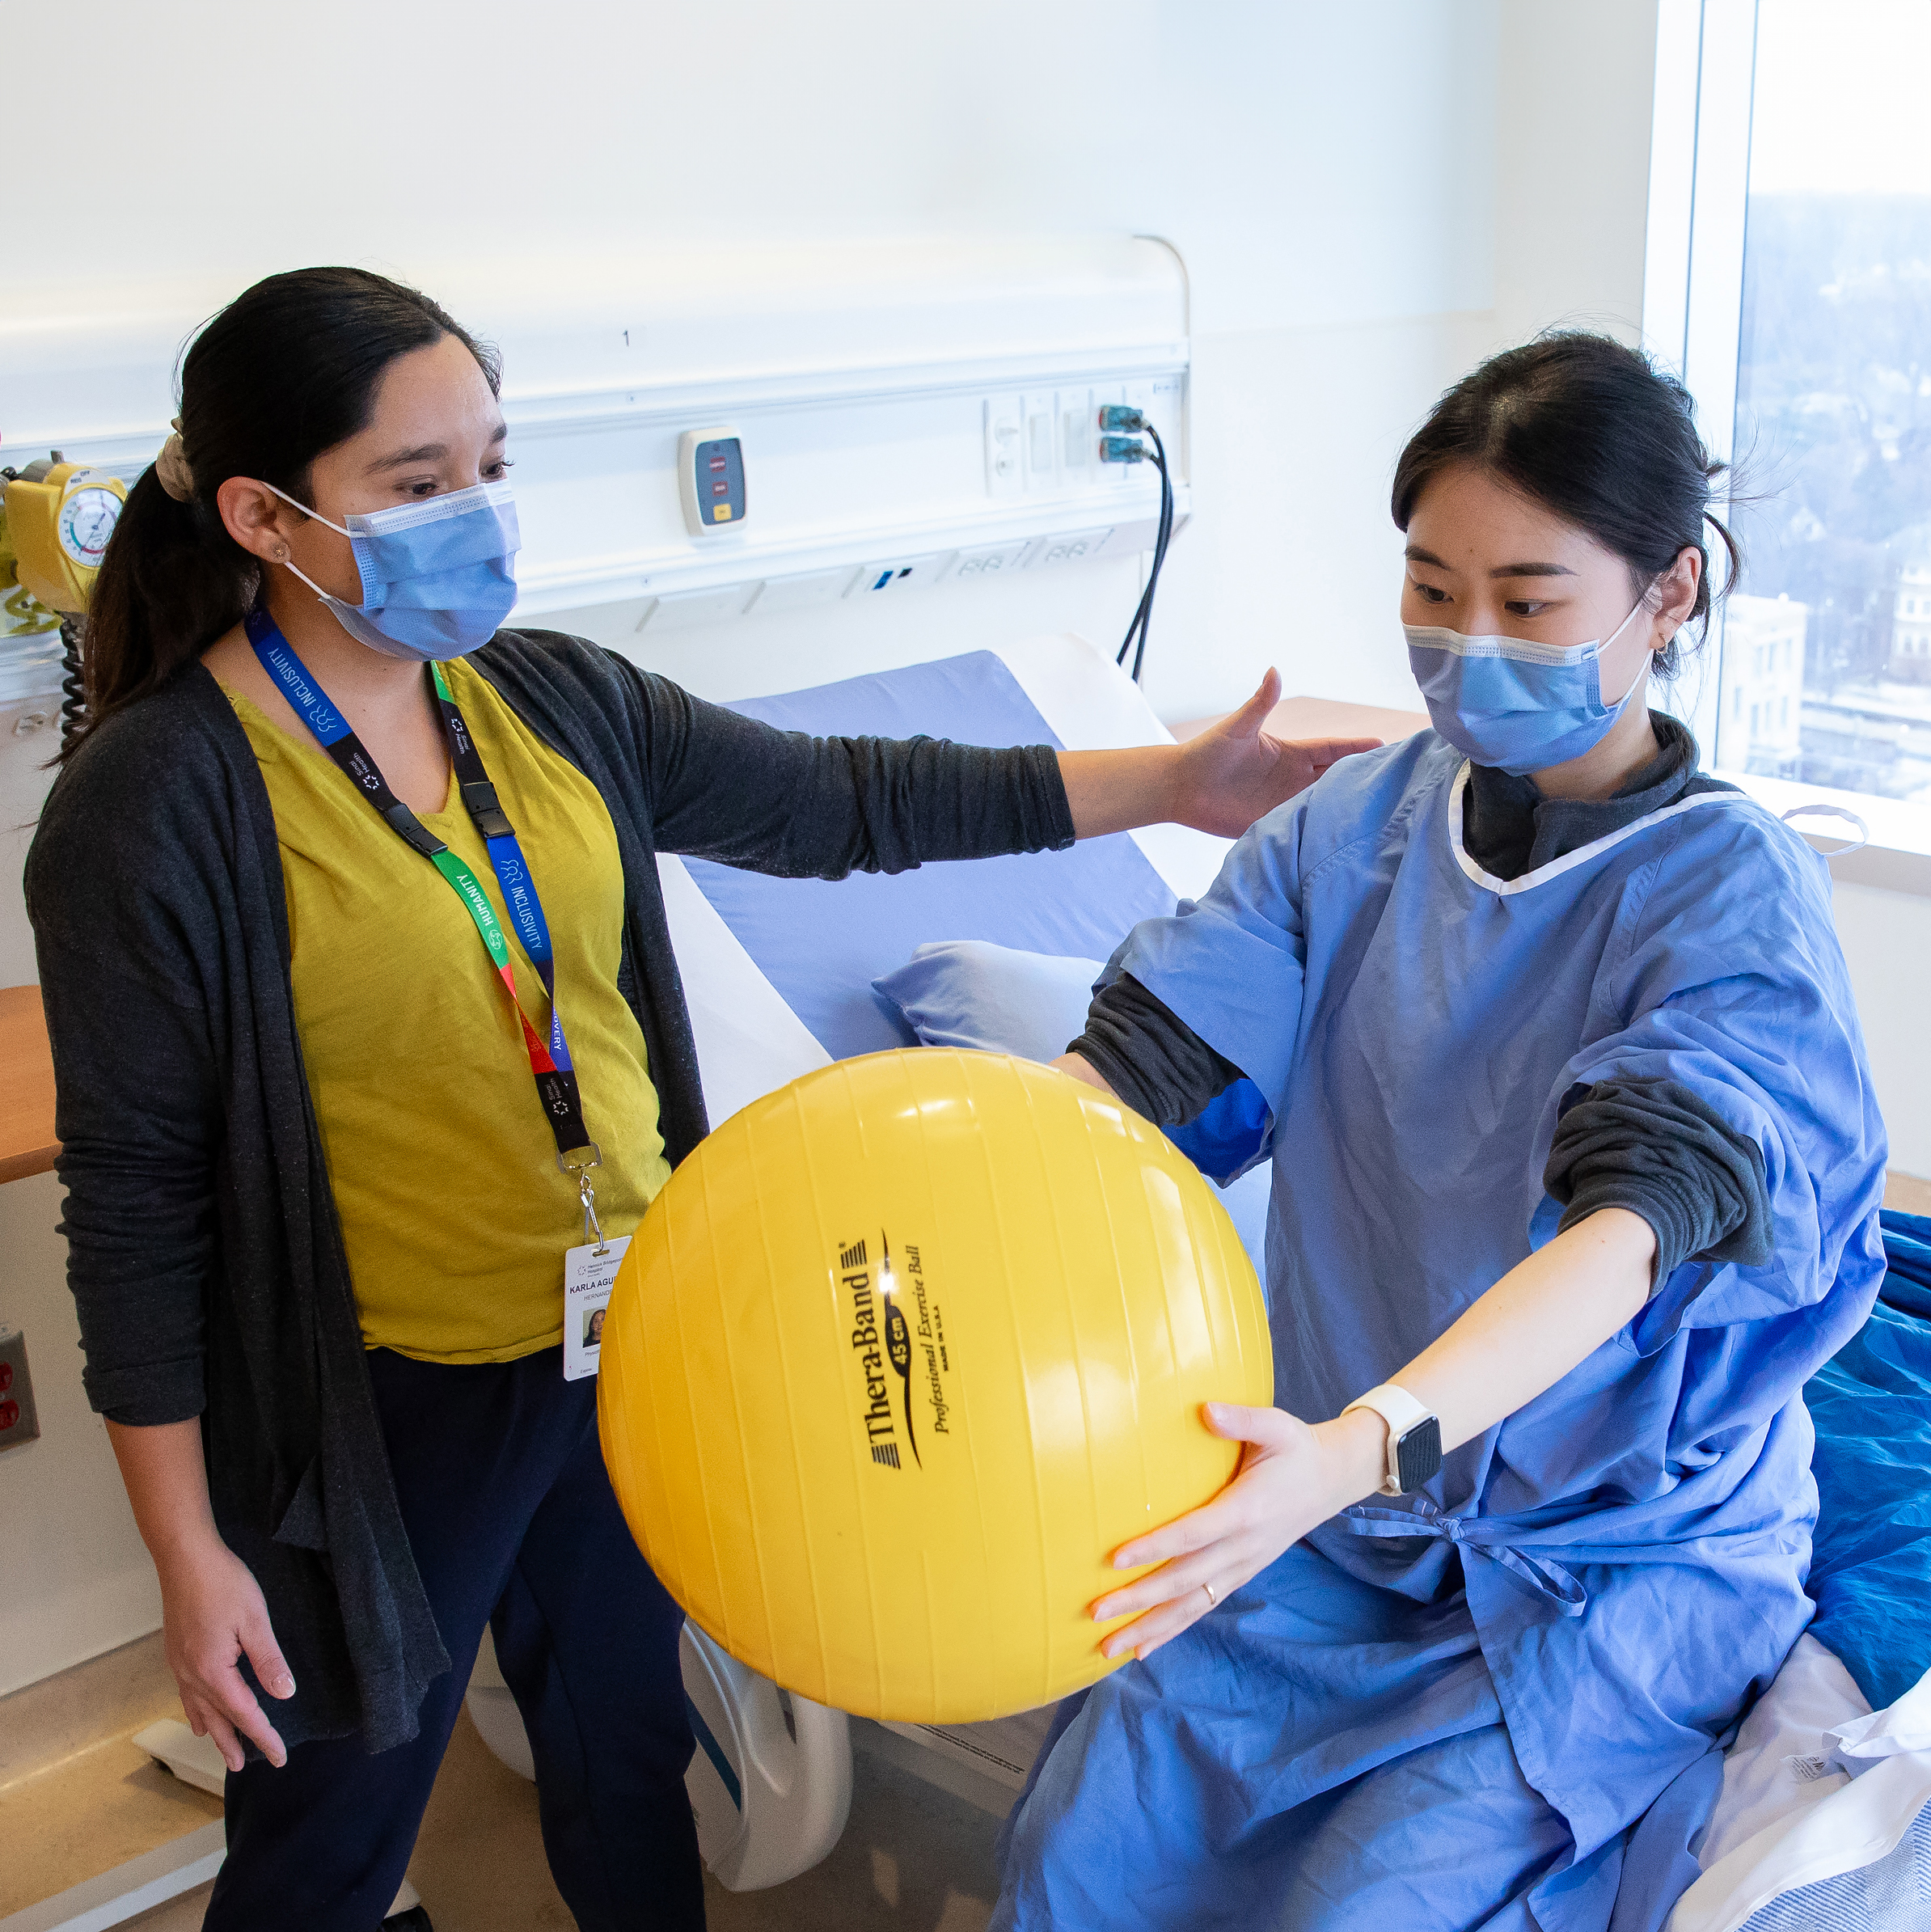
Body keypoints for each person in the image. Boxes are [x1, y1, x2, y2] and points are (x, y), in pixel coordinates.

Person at [25, 266, 1375, 1932]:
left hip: (639, 1333)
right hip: (382, 1404)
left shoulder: (549, 697)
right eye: (420, 485)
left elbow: (847, 799)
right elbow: (136, 1214)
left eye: (494, 466)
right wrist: (190, 1553)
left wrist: (1170, 782)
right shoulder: (152, 808)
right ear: (266, 514)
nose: (481, 517)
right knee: (337, 1815)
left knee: (624, 1732)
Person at [996, 333, 1889, 1932]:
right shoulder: (1355, 824)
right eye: (1430, 586)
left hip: (1605, 1553)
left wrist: (1360, 1442)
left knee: (1366, 1907)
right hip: (1338, 1514)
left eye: (1531, 602)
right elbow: (1131, 1087)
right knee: (1080, 1854)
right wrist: (927, 1194)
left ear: (1666, 596)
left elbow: (1625, 1241)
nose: (1468, 641)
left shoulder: (1725, 887)